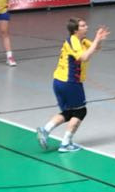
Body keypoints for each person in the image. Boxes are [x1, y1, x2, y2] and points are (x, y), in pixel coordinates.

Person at [37, 18, 109, 153]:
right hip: (70, 82)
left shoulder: (82, 40)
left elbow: (96, 48)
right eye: (83, 26)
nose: (86, 27)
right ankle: (65, 143)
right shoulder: (73, 41)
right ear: (75, 30)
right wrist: (96, 40)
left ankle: (45, 130)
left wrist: (98, 39)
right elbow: (84, 57)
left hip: (59, 81)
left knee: (69, 113)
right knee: (80, 111)